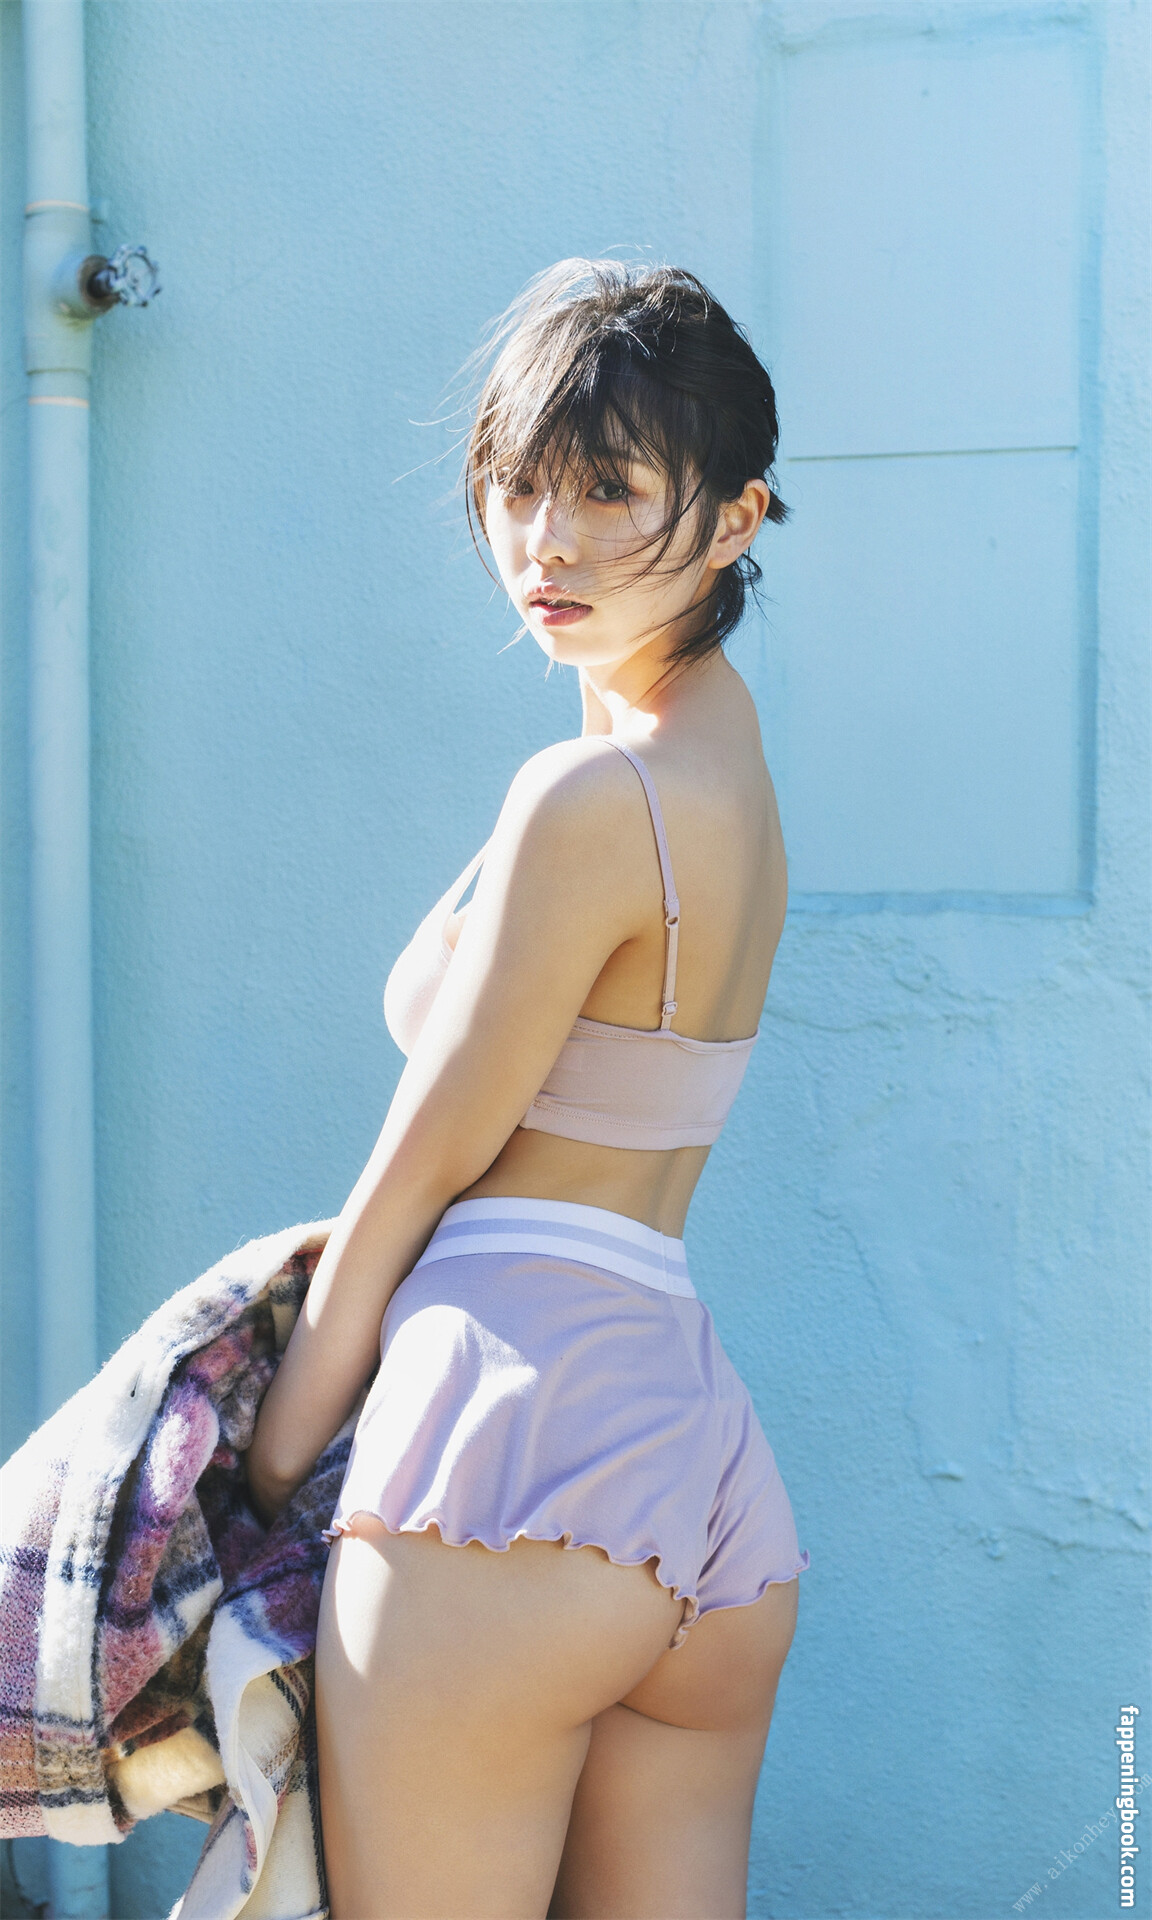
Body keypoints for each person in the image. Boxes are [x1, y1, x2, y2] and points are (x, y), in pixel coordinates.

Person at [247, 257, 810, 1920]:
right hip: (699, 1476)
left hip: (499, 1446)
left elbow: (415, 1174)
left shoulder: (589, 801)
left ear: (737, 519)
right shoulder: (726, 772)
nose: (546, 541)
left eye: (610, 489)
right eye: (517, 486)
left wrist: (262, 1470)